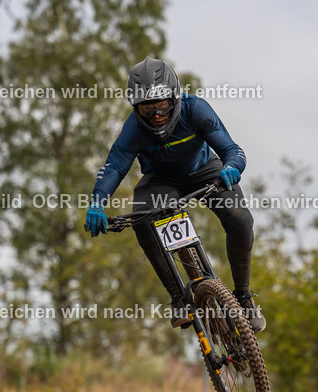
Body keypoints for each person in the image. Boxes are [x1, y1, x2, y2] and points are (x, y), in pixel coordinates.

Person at [83, 56, 265, 333]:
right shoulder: (133, 128)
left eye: (162, 105)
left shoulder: (197, 110)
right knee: (142, 221)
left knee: (240, 219)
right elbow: (114, 167)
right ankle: (179, 299)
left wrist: (232, 167)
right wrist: (97, 203)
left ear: (175, 97)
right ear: (136, 109)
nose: (156, 114)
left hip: (205, 170)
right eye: (147, 109)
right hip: (160, 181)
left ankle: (243, 296)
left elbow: (232, 149)